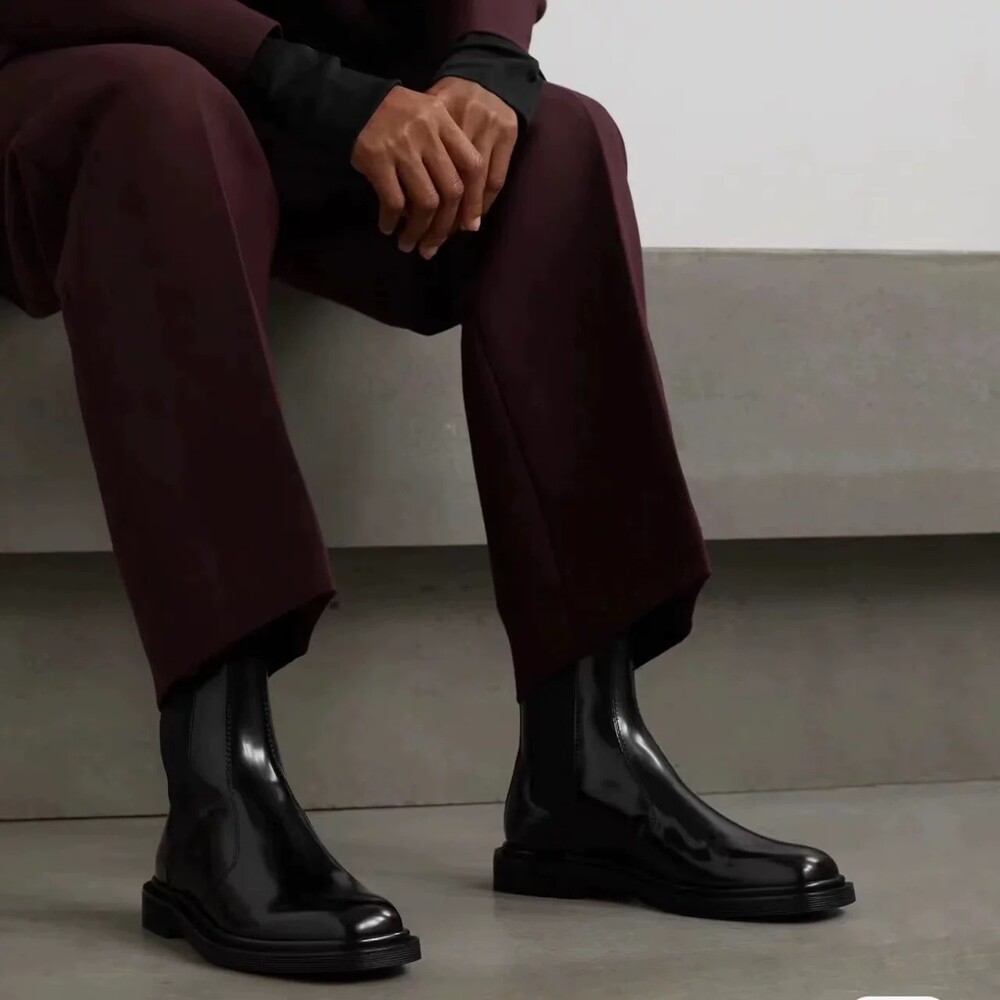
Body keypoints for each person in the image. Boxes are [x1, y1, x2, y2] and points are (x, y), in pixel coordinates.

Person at [0, 0, 856, 980]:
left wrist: (486, 62)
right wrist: (318, 89)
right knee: (164, 104)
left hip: (296, 107)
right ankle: (216, 789)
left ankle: (587, 765)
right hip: (74, 85)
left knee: (558, 136)